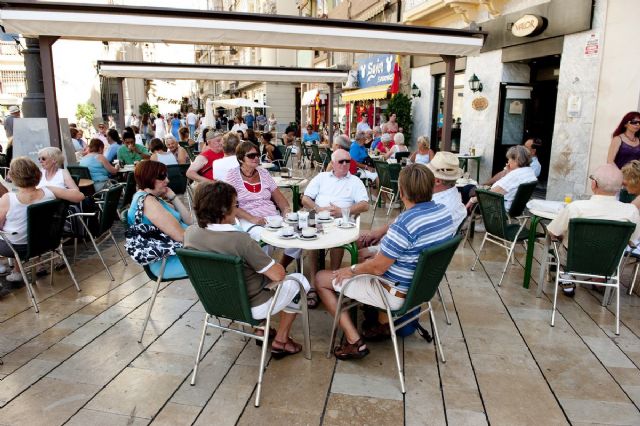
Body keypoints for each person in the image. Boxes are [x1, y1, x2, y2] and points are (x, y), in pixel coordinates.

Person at [315, 164, 455, 359]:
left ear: (403, 190)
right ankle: (378, 323)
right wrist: (373, 247)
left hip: (393, 292)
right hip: (421, 289)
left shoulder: (405, 224)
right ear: (431, 187)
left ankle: (354, 341)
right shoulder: (443, 213)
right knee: (365, 254)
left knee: (321, 278)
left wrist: (351, 270)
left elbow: (378, 267)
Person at [185, 181, 310, 357]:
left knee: (259, 279)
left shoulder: (190, 234)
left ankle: (262, 328)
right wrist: (269, 267)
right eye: (236, 204)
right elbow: (278, 274)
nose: (237, 209)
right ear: (224, 210)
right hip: (249, 306)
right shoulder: (240, 240)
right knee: (299, 281)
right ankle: (281, 340)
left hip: (215, 302)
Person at [547, 164, 640, 296]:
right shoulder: (631, 211)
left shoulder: (575, 207)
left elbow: (552, 232)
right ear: (620, 187)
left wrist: (562, 236)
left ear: (594, 184)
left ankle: (566, 276)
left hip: (573, 260)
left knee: (556, 241)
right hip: (608, 263)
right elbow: (632, 239)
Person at [0, 157, 85, 286]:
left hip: (16, 248)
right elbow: (80, 196)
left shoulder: (8, 199)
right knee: (22, 229)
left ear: (12, 177)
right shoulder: (50, 191)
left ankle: (16, 273)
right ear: (38, 174)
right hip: (46, 242)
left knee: (15, 232)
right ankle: (17, 272)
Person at [301, 149, 370, 308]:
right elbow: (305, 199)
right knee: (311, 235)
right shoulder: (322, 177)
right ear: (332, 163)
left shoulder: (354, 181)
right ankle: (313, 283)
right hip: (319, 217)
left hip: (342, 221)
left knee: (338, 238)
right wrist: (318, 209)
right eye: (341, 161)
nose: (346, 164)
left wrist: (342, 211)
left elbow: (365, 205)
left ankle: (333, 279)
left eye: (348, 161)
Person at [225, 141, 300, 264]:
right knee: (264, 238)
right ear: (240, 159)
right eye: (251, 155)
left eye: (257, 155)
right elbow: (230, 205)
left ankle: (281, 266)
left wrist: (286, 212)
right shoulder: (232, 175)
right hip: (248, 218)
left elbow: (280, 200)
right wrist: (252, 218)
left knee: (297, 233)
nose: (256, 158)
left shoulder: (264, 173)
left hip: (272, 217)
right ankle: (265, 272)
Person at [127, 161, 193, 279]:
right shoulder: (148, 202)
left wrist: (172, 196)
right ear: (149, 178)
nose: (167, 180)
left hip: (181, 251)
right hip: (169, 261)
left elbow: (188, 221)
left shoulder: (154, 198)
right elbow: (181, 236)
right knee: (226, 256)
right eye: (162, 177)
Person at [468, 145, 537, 211]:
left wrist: (472, 200)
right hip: (514, 207)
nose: (508, 161)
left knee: (466, 189)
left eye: (509, 159)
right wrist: (508, 171)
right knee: (471, 188)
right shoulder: (529, 172)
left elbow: (491, 193)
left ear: (516, 160)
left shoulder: (515, 175)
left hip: (496, 207)